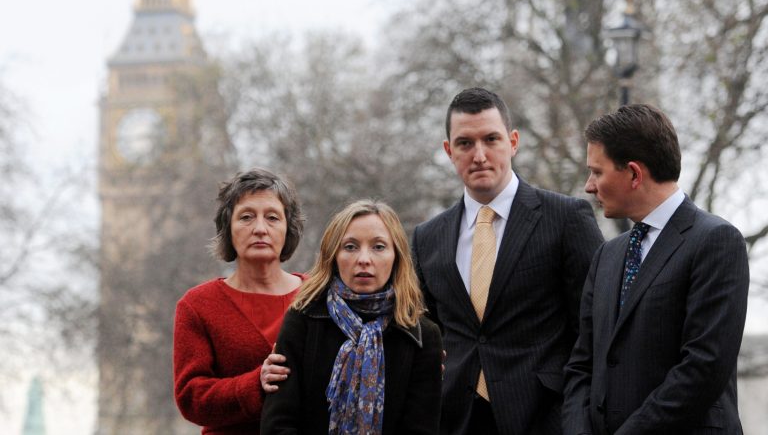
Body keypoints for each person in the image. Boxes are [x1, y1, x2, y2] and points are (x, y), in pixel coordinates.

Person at [412, 87, 605, 435]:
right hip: (456, 420)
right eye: (465, 143)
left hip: (547, 418)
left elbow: (594, 330)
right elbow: (427, 335)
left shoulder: (566, 218)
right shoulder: (428, 237)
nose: (480, 155)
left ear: (513, 142)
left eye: (491, 139)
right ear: (448, 150)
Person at [562, 104, 750, 435]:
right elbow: (581, 365)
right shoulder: (607, 255)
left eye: (597, 172)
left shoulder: (716, 241)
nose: (589, 186)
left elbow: (703, 368)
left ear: (634, 173)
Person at [260, 199, 443, 435]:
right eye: (350, 247)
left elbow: (421, 428)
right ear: (332, 255)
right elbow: (278, 423)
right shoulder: (303, 318)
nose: (364, 259)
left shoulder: (421, 335)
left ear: (396, 256)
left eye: (378, 247)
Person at [173, 167, 306, 434]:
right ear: (228, 228)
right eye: (246, 217)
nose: (260, 228)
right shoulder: (197, 306)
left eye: (272, 218)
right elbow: (191, 398)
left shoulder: (319, 296)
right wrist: (255, 384)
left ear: (287, 228)